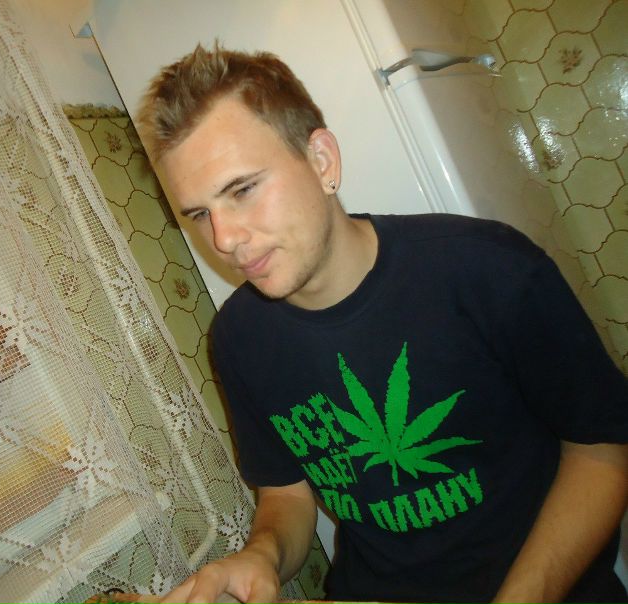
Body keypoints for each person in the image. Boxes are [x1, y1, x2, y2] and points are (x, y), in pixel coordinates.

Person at [137, 42, 628, 604]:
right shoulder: (238, 339)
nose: (224, 239)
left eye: (243, 190)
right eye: (200, 214)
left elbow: (603, 450)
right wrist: (262, 555)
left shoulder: (487, 268)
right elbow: (286, 495)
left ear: (322, 161)